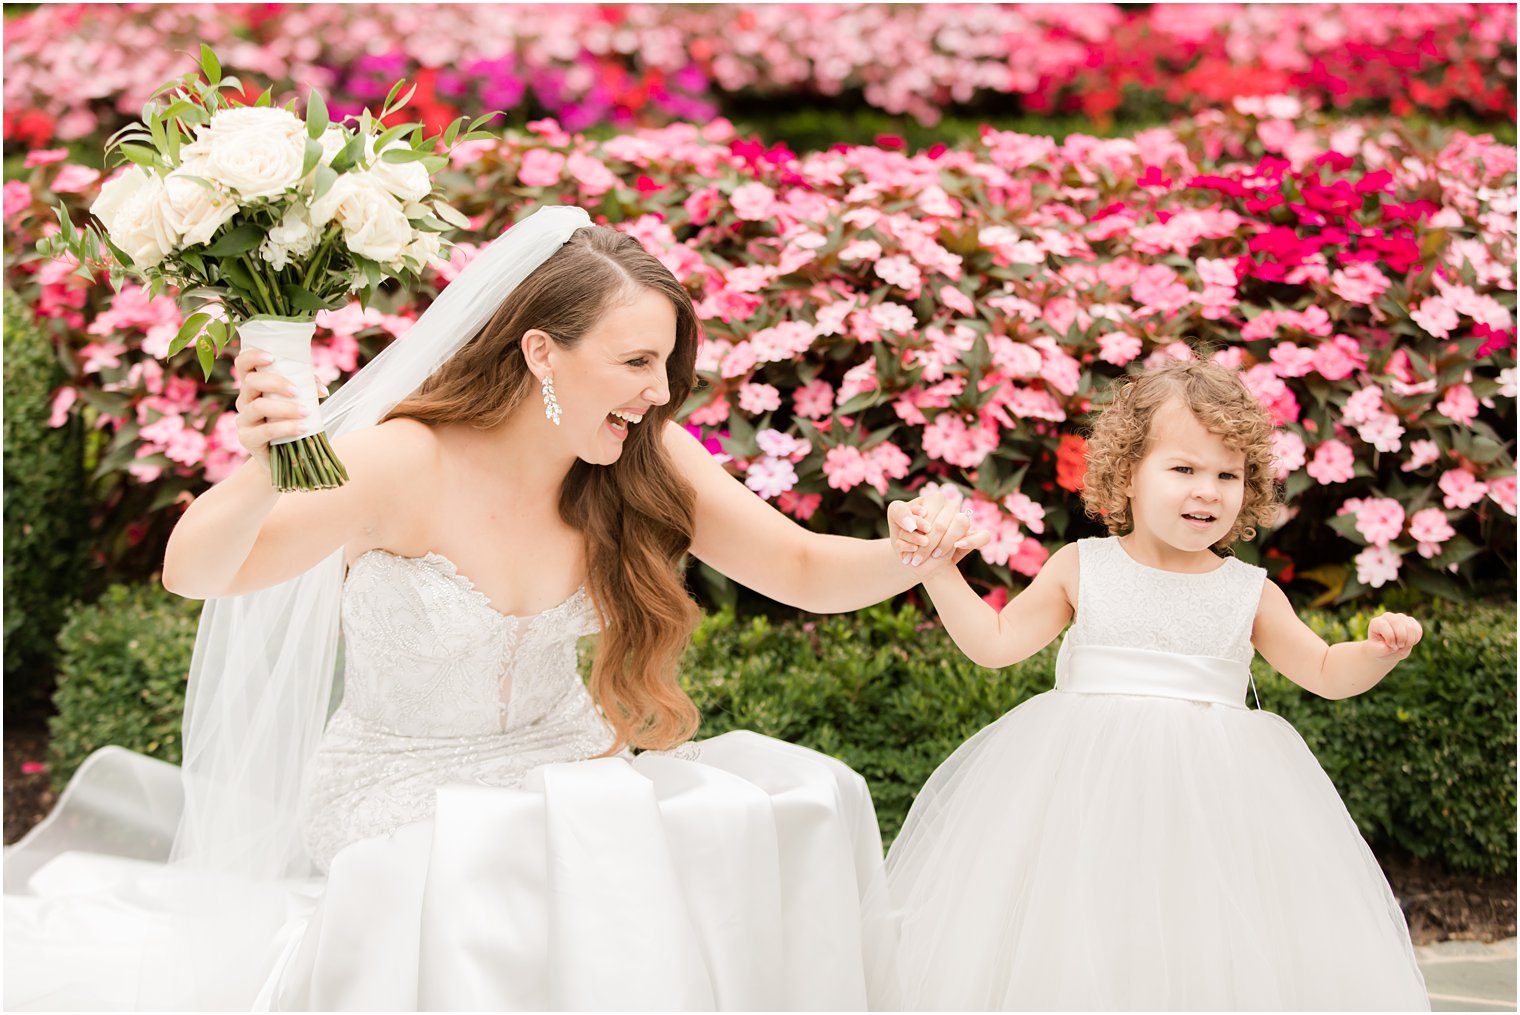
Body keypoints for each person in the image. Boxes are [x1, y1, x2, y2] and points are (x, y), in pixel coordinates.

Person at [4, 206, 985, 1011]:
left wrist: (911, 551)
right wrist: (265, 469)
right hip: (398, 797)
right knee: (518, 869)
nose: (659, 392)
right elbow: (198, 572)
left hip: (566, 783)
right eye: (636, 361)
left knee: (775, 806)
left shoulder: (645, 459)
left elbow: (807, 570)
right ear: (540, 351)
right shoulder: (406, 459)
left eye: (666, 364)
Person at [880, 357, 1429, 1010]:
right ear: (1129, 472)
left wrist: (1376, 651)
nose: (1208, 490)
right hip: (1081, 791)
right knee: (1082, 925)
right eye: (1185, 468)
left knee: (1198, 937)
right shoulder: (1082, 567)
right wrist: (940, 573)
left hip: (1213, 804)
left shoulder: (1247, 591)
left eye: (1228, 474)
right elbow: (995, 645)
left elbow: (1324, 671)